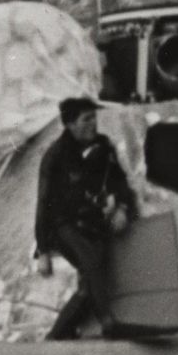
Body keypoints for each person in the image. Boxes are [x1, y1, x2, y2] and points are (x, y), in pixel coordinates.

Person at [34, 96, 139, 340]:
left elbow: (120, 181)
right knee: (90, 263)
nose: (93, 123)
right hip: (64, 225)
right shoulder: (55, 156)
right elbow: (43, 203)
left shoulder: (103, 146)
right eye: (86, 119)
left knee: (89, 285)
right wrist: (43, 251)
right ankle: (109, 324)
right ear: (70, 124)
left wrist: (123, 207)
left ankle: (58, 334)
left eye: (94, 117)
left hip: (91, 221)